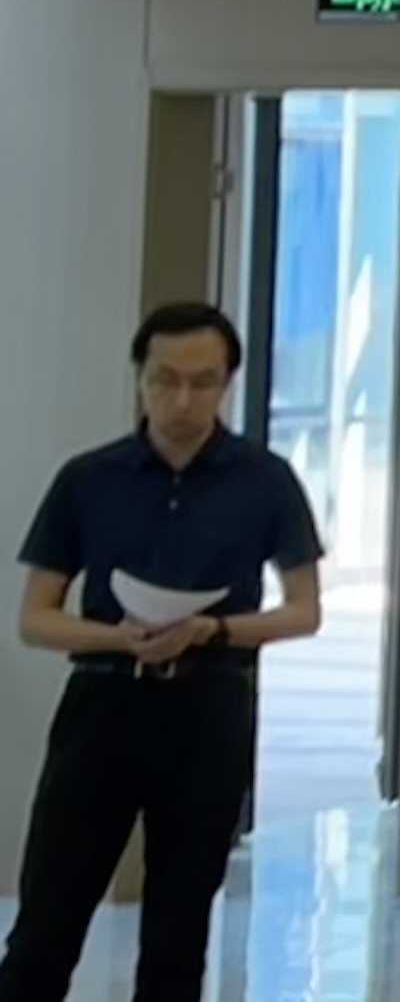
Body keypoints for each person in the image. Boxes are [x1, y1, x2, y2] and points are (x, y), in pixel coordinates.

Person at [2, 302, 325, 1002]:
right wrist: (119, 636)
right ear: (140, 379)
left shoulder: (265, 480)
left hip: (209, 708)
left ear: (227, 383)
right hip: (103, 704)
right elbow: (36, 619)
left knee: (178, 933)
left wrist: (214, 630)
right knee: (47, 921)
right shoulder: (89, 479)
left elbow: (304, 611)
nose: (182, 400)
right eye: (165, 380)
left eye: (202, 382)